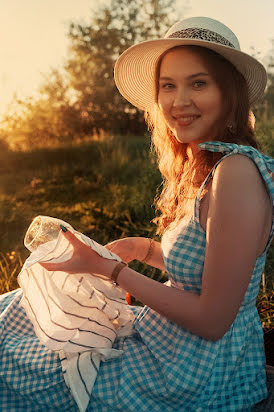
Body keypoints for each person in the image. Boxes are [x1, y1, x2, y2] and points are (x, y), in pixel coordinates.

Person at [0, 16, 273, 412]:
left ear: (229, 93)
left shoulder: (236, 173)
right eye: (168, 86)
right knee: (13, 311)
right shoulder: (210, 165)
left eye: (198, 83)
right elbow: (211, 269)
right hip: (174, 345)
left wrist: (110, 270)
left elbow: (213, 320)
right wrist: (142, 249)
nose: (179, 101)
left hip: (195, 371)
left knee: (20, 361)